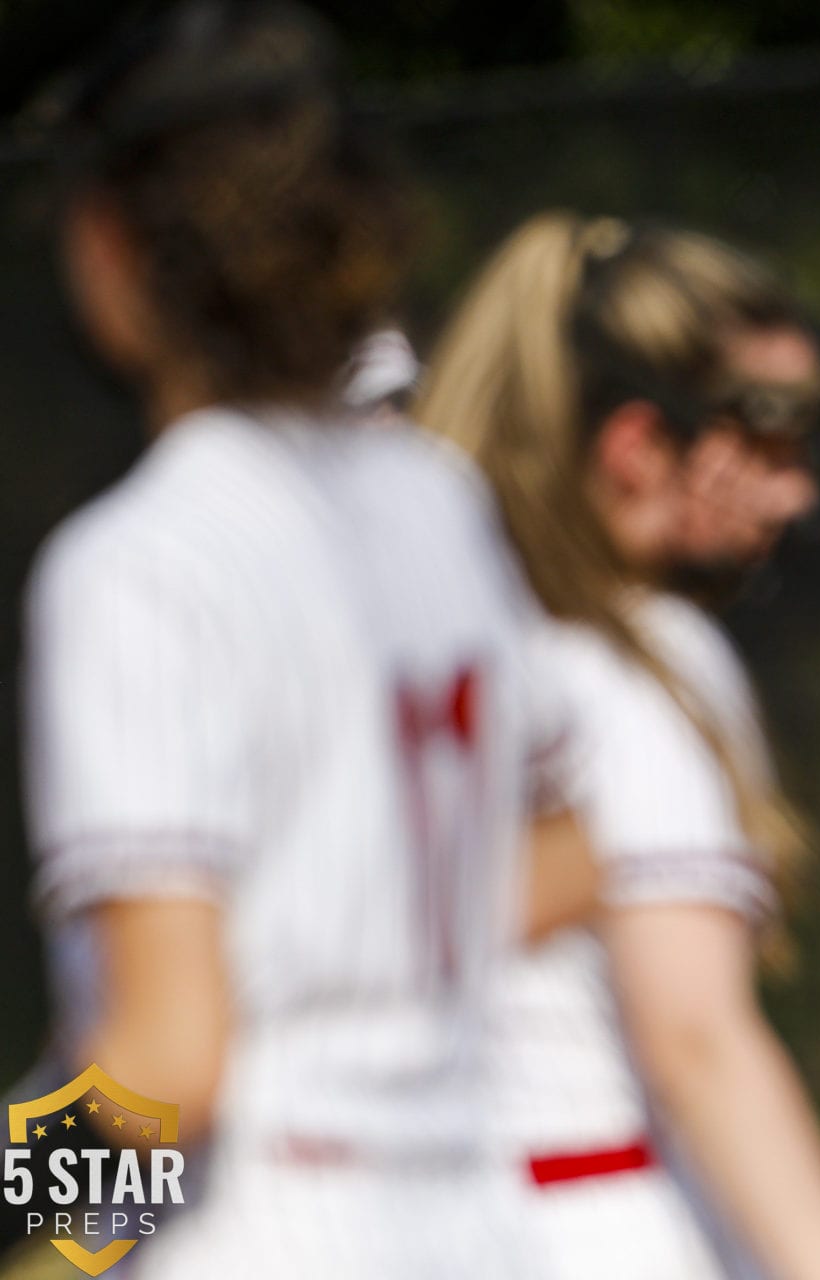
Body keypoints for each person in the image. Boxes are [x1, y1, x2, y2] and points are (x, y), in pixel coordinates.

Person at [23, 3, 547, 1274]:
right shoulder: (440, 501)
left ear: (108, 246)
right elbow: (572, 843)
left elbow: (173, 1064)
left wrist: (19, 1201)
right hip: (475, 1216)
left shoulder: (141, 559)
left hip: (262, 1223)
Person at [415, 213, 820, 1280]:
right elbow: (698, 1042)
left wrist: (89, 1225)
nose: (796, 489)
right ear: (634, 447)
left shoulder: (397, 640)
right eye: (766, 439)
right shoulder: (634, 664)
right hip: (600, 1219)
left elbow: (176, 1031)